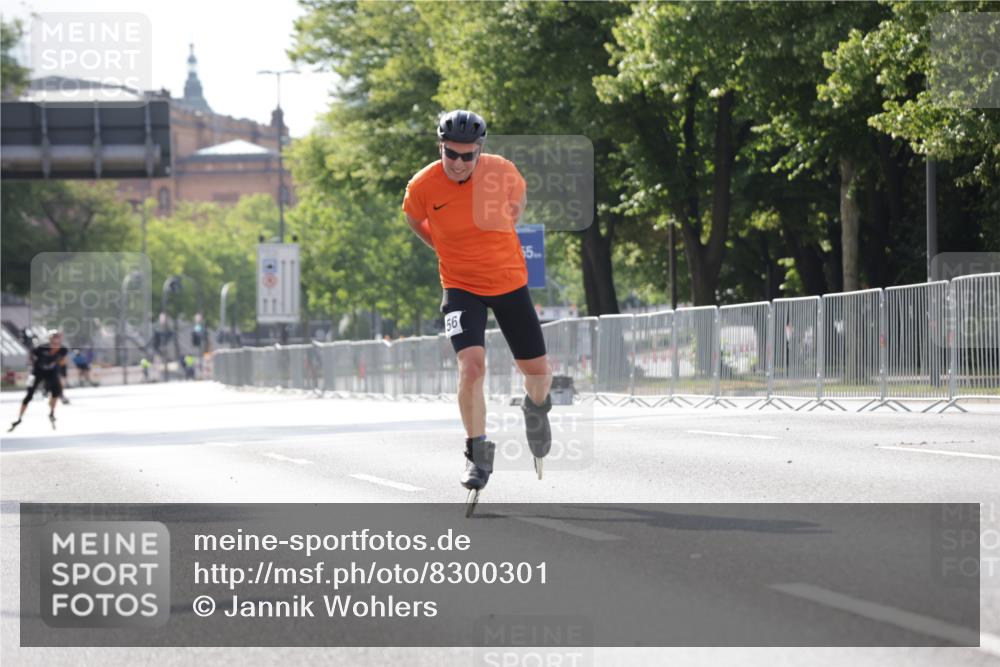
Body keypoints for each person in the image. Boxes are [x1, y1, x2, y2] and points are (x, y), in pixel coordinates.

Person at [402, 109, 553, 496]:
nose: (457, 163)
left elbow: (515, 210)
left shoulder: (503, 173)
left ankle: (535, 408)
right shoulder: (423, 185)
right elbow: (413, 218)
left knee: (537, 374)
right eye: (450, 153)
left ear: (480, 151)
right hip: (459, 286)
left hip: (508, 282)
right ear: (440, 147)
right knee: (471, 368)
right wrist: (444, 248)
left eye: (467, 155)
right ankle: (477, 452)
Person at [9, 329, 68, 431]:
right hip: (37, 372)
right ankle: (19, 417)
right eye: (53, 338)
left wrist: (61, 372)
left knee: (57, 391)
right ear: (50, 339)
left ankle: (52, 412)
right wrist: (32, 365)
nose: (55, 341)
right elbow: (31, 355)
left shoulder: (63, 349)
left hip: (51, 372)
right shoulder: (41, 348)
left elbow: (63, 363)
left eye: (57, 338)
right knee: (29, 395)